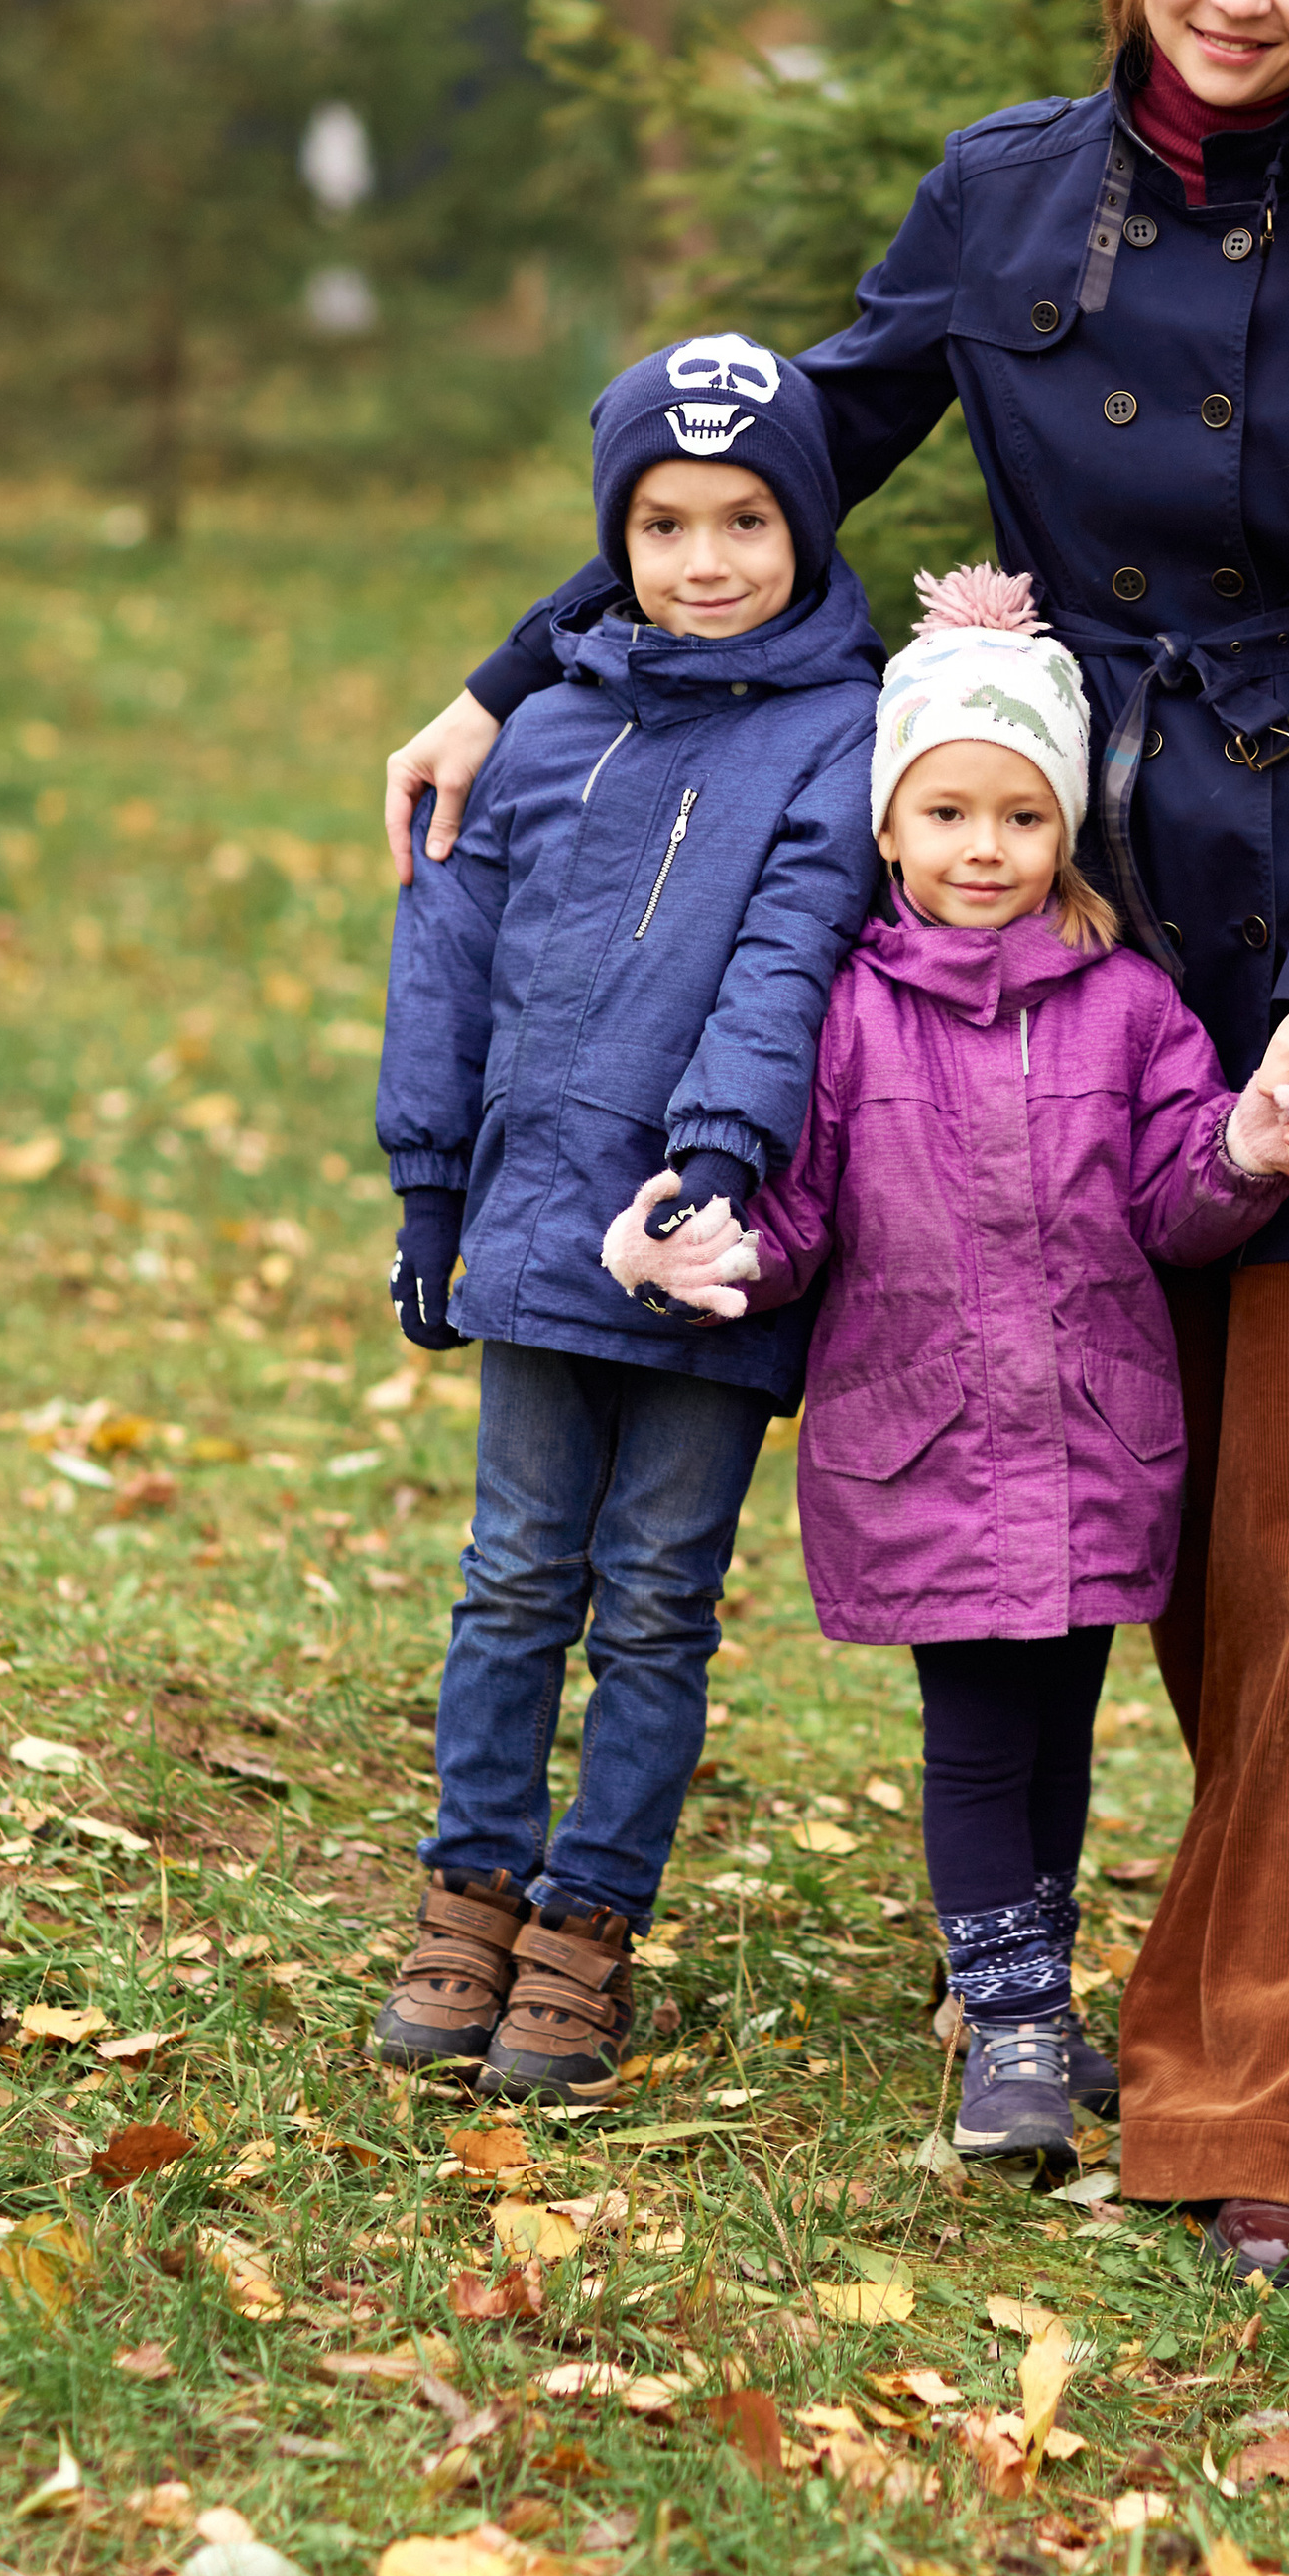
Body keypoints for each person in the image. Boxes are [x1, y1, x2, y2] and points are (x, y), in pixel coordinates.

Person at [382, 0, 1289, 2275]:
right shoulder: (1008, 196)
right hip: (1039, 945)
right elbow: (779, 461)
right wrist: (516, 677)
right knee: (1152, 1554)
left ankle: (1286, 2120)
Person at [603, 566, 1289, 2171]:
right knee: (983, 1733)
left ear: (1065, 829)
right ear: (889, 828)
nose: (981, 848)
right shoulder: (845, 1016)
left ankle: (1018, 1993)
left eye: (1018, 815)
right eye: (946, 814)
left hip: (1092, 1435)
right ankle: (1009, 2023)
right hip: (926, 1442)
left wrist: (1250, 1151)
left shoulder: (1130, 1008)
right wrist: (704, 1250)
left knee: (1060, 1729)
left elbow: (1175, 1202)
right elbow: (794, 1220)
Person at [370, 335, 882, 2105]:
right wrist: (429, 1186)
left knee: (658, 1596)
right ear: (616, 537)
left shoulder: (842, 734)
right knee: (515, 1575)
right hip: (530, 1223)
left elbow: (789, 960)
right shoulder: (542, 729)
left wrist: (716, 1168)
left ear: (806, 527)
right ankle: (470, 1892)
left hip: (710, 1240)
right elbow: (444, 959)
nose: (706, 559)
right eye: (664, 524)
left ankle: (588, 1926)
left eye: (748, 520)